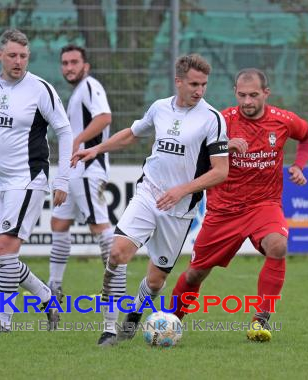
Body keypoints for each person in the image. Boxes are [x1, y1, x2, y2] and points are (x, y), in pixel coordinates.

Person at [71, 54, 229, 346]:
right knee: (117, 253)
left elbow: (221, 171)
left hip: (180, 210)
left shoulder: (212, 119)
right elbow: (131, 135)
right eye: (194, 84)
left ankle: (133, 316)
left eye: (204, 84)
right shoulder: (159, 108)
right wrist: (95, 150)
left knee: (155, 282)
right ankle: (109, 329)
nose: (199, 90)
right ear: (178, 81)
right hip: (149, 193)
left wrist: (182, 190)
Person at [170, 68, 308, 342]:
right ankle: (171, 320)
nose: (247, 101)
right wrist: (223, 145)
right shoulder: (220, 121)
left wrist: (298, 165)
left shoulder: (283, 120)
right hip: (223, 209)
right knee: (195, 273)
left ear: (266, 93)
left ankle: (260, 320)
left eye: (253, 95)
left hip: (264, 204)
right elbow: (192, 150)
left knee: (278, 245)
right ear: (235, 93)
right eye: (242, 95)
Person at [0, 29, 73, 332]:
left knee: (7, 251)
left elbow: (64, 130)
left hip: (27, 179)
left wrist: (62, 180)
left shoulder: (40, 89)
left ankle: (4, 322)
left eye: (23, 56)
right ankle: (47, 296)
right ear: (0, 55)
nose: (18, 61)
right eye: (12, 55)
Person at [47, 45, 113, 301]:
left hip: (88, 169)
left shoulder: (89, 86)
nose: (69, 67)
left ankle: (113, 288)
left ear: (86, 65)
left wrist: (77, 141)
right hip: (75, 171)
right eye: (65, 63)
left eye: (74, 62)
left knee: (100, 226)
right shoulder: (78, 91)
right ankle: (54, 286)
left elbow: (105, 117)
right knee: (59, 223)